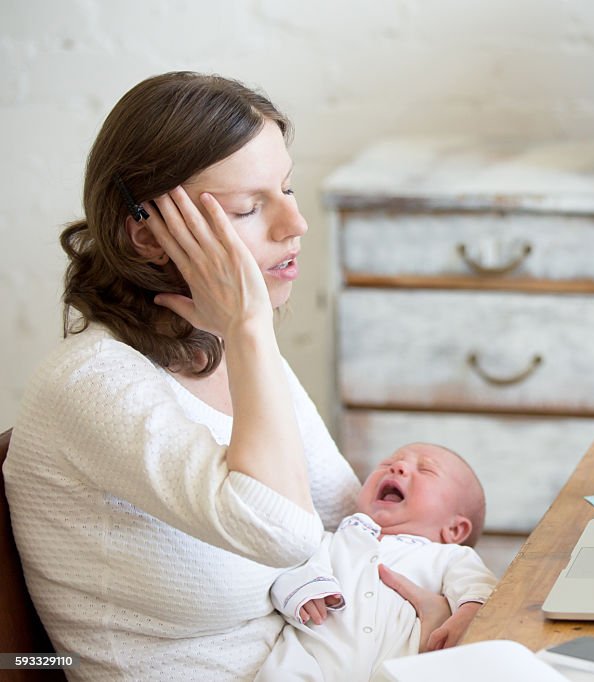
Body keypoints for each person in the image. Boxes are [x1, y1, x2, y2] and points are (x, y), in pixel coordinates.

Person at [2, 72, 453, 681]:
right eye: (249, 207)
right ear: (148, 234)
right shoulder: (93, 385)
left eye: (288, 187)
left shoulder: (222, 350)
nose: (295, 223)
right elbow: (287, 534)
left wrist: (442, 600)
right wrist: (250, 330)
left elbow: (349, 524)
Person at [256, 442, 497, 682]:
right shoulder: (332, 540)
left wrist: (469, 613)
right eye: (387, 464)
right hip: (316, 660)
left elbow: (480, 587)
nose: (398, 467)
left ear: (454, 529)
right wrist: (301, 591)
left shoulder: (448, 556)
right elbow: (286, 567)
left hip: (399, 665)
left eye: (426, 470)